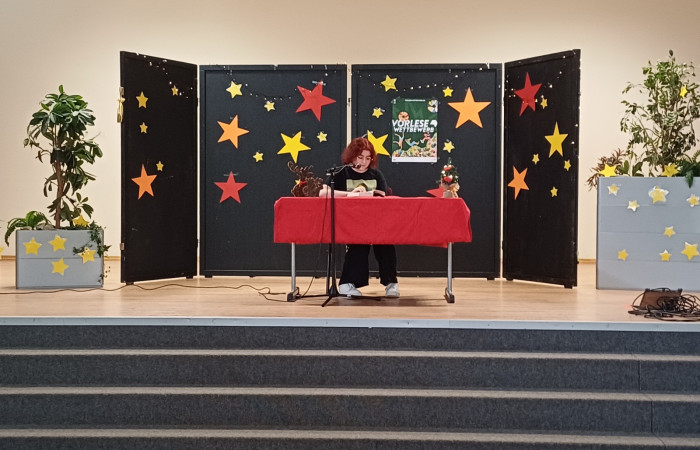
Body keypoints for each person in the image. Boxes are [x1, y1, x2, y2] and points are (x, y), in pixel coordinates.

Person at [318, 137, 400, 298]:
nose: (364, 162)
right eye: (360, 157)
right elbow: (323, 193)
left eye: (368, 158)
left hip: (376, 221)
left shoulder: (376, 174)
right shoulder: (342, 173)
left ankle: (391, 283)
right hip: (351, 223)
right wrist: (349, 194)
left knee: (386, 245)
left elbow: (383, 195)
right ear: (352, 156)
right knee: (358, 246)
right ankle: (347, 283)